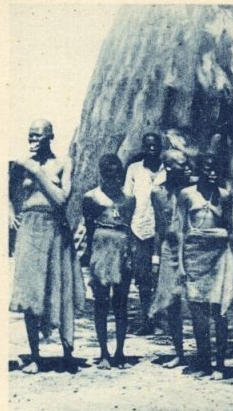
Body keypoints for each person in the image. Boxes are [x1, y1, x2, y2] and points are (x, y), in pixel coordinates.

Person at [9, 119, 85, 373]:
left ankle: (67, 351)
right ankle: (34, 355)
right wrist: (10, 213)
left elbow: (62, 199)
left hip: (55, 229)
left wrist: (36, 172)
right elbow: (8, 194)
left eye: (38, 136)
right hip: (29, 230)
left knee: (59, 286)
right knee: (32, 292)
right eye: (30, 136)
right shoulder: (20, 165)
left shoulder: (63, 163)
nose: (32, 141)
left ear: (50, 137)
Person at [177, 153, 233, 379]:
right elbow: (181, 231)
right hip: (194, 256)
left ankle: (220, 364)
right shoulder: (186, 194)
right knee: (198, 312)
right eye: (208, 169)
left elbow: (232, 229)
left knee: (220, 311)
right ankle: (204, 362)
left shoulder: (225, 195)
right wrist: (181, 266)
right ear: (198, 170)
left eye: (216, 170)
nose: (212, 174)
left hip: (220, 256)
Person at [81, 154, 136, 370]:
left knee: (121, 303)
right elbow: (88, 226)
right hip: (101, 249)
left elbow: (128, 226)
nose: (112, 179)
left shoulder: (129, 199)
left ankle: (120, 351)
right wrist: (89, 254)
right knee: (101, 302)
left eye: (116, 175)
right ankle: (103, 352)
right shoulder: (91, 198)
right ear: (102, 174)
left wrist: (130, 254)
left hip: (122, 249)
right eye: (107, 174)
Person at [149, 149, 192, 369]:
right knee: (172, 303)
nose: (187, 168)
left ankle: (206, 353)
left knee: (197, 300)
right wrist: (156, 257)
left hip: (194, 248)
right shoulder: (157, 193)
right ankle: (179, 352)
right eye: (182, 164)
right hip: (170, 248)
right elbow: (158, 227)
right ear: (168, 167)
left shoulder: (196, 187)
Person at [124, 132, 165, 335]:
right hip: (139, 228)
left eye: (155, 146)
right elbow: (127, 200)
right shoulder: (134, 169)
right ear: (143, 147)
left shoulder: (168, 170)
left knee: (162, 276)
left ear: (160, 147)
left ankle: (160, 320)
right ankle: (147, 319)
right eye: (148, 146)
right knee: (142, 277)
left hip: (163, 231)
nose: (151, 149)